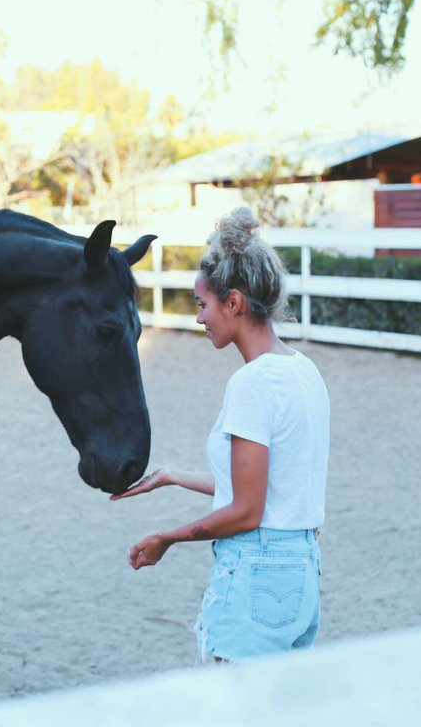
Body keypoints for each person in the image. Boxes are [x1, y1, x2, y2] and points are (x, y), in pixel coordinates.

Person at [112, 207, 330, 663]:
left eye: (202, 304)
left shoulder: (251, 383)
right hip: (300, 574)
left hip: (257, 573)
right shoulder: (304, 371)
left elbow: (248, 512)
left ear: (233, 303)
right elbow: (268, 485)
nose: (199, 319)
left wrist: (168, 538)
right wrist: (173, 475)